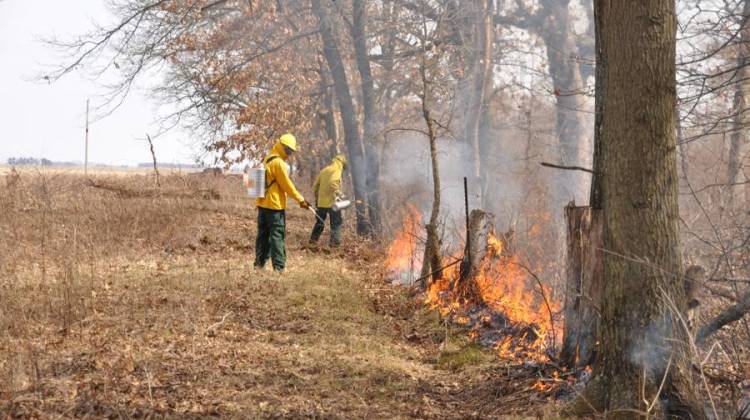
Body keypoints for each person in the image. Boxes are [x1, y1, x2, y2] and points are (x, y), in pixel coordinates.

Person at [254, 133, 311, 273]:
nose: (289, 153)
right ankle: (279, 268)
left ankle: (258, 265)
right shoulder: (279, 163)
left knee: (262, 236)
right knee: (277, 237)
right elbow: (287, 185)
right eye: (288, 150)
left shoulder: (267, 158)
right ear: (281, 146)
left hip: (262, 205)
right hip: (275, 207)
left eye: (291, 151)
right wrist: (301, 200)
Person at [309, 154, 347, 247]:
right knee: (336, 223)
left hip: (321, 203)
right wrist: (340, 195)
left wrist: (317, 199)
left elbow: (315, 187)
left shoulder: (324, 170)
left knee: (320, 222)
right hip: (333, 203)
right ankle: (334, 246)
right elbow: (333, 183)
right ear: (342, 164)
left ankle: (313, 241)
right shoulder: (337, 170)